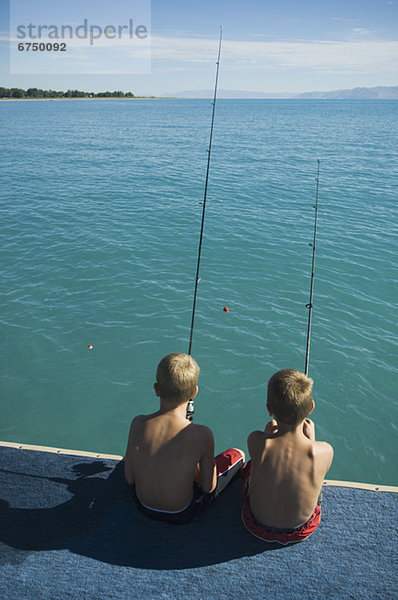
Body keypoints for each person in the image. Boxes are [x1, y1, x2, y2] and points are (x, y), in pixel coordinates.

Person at [125, 352, 245, 524]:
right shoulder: (202, 434)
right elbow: (208, 487)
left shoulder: (137, 423)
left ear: (156, 389)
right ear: (194, 393)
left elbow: (129, 478)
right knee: (238, 455)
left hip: (142, 506)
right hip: (182, 513)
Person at [242, 368, 333, 544]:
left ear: (269, 409)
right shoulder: (324, 451)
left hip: (255, 525)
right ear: (311, 408)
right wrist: (311, 440)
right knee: (315, 477)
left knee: (249, 469)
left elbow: (262, 461)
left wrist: (268, 434)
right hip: (300, 531)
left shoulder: (257, 440)